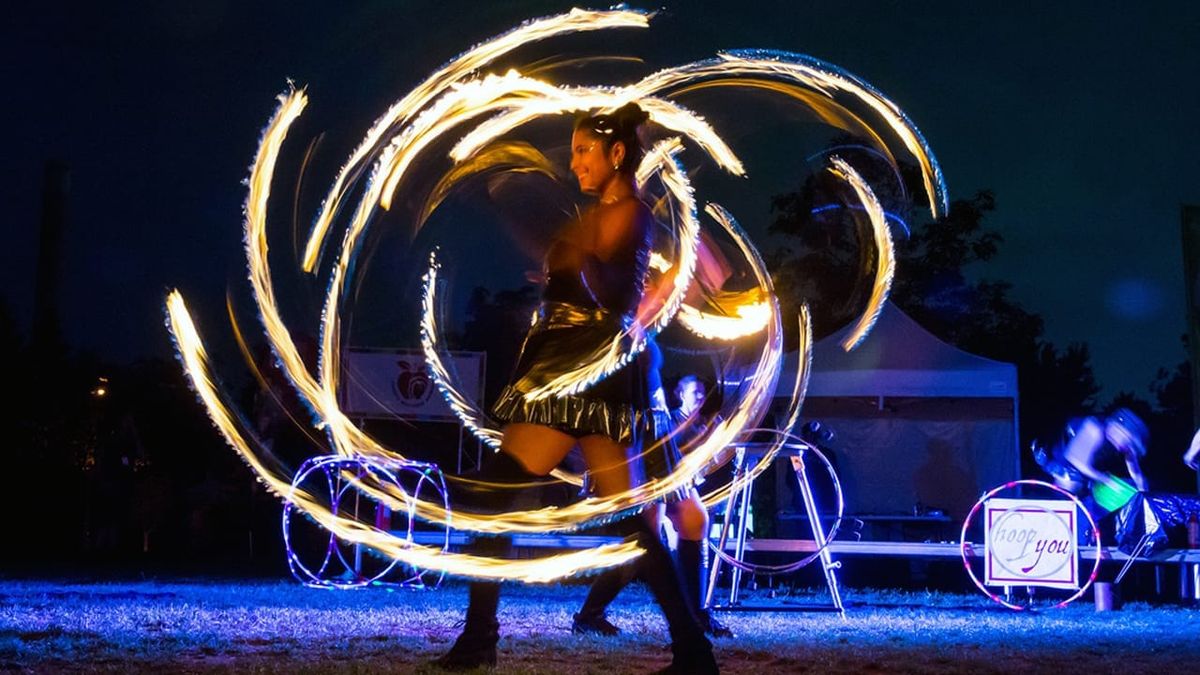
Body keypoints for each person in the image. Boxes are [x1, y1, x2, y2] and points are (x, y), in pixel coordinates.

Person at [434, 103, 717, 674]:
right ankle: (693, 651)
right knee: (606, 516)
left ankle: (479, 641)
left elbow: (612, 295)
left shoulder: (632, 215)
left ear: (617, 154)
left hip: (585, 370)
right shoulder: (597, 217)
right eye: (573, 151)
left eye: (585, 150)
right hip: (573, 365)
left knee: (505, 501)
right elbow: (578, 278)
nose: (575, 161)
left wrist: (568, 252)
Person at [572, 371, 734, 639]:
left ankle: (696, 614)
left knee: (694, 520)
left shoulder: (647, 351)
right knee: (644, 537)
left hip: (658, 432)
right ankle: (590, 614)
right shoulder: (621, 346)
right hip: (639, 434)